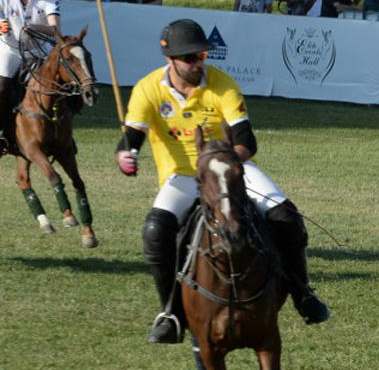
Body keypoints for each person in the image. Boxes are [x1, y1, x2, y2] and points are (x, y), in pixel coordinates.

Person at [115, 19, 331, 343]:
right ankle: (171, 312)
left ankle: (303, 293)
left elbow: (246, 142)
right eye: (189, 58)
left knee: (287, 217)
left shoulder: (222, 85)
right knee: (155, 230)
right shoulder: (148, 89)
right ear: (170, 59)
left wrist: (223, 163)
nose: (197, 63)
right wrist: (125, 155)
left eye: (201, 55)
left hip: (230, 169)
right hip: (182, 177)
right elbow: (132, 137)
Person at [0, 0, 61, 155]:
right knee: (2, 88)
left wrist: (33, 28)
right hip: (11, 49)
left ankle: (63, 134)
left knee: (58, 86)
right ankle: (2, 133)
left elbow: (55, 29)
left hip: (39, 49)